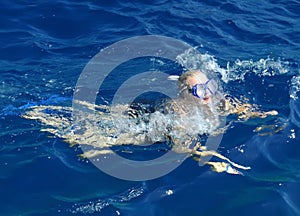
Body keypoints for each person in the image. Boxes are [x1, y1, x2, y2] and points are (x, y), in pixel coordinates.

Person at [22, 70, 279, 175]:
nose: (207, 95)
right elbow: (181, 145)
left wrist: (257, 116)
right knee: (94, 137)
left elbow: (232, 106)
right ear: (184, 95)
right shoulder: (179, 113)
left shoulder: (212, 99)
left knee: (106, 114)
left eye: (209, 86)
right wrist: (211, 160)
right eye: (199, 91)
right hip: (152, 126)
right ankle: (43, 118)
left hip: (149, 109)